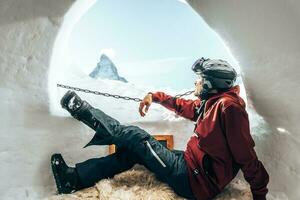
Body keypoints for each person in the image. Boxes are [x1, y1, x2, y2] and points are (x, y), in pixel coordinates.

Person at [51, 58, 269, 200]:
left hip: (194, 182)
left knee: (137, 137)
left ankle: (83, 112)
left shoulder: (228, 108)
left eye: (200, 80)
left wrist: (260, 194)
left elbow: (246, 155)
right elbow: (182, 106)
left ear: (212, 84)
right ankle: (74, 179)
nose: (196, 84)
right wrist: (154, 97)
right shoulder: (211, 104)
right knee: (132, 152)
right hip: (189, 166)